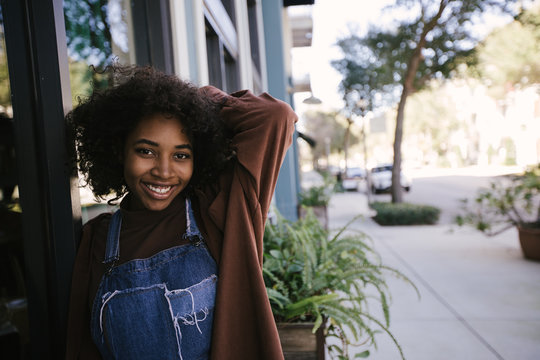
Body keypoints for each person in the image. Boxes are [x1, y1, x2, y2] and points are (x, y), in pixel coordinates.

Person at [65, 65, 297, 359]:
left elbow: (275, 117)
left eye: (181, 155)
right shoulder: (95, 241)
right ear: (118, 150)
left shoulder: (216, 212)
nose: (164, 171)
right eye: (146, 151)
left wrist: (193, 103)